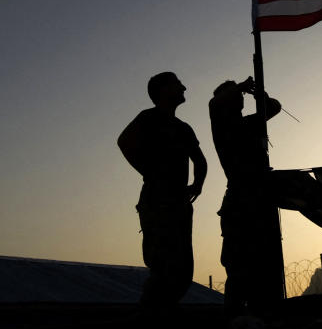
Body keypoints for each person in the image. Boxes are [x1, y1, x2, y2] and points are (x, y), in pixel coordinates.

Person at [118, 71, 206, 315]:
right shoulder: (148, 118)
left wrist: (197, 184)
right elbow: (124, 142)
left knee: (182, 268)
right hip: (157, 201)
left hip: (179, 201)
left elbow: (199, 160)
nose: (184, 87)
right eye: (178, 84)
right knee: (163, 263)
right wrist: (149, 171)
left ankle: (163, 311)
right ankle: (152, 316)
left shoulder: (183, 128)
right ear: (163, 90)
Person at [209, 76, 283, 315]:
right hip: (240, 200)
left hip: (260, 198)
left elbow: (274, 107)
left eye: (240, 96)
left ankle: (259, 317)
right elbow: (214, 103)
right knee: (239, 266)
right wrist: (238, 87)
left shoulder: (249, 124)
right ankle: (235, 322)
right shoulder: (223, 126)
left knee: (263, 264)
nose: (239, 98)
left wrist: (258, 93)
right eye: (235, 95)